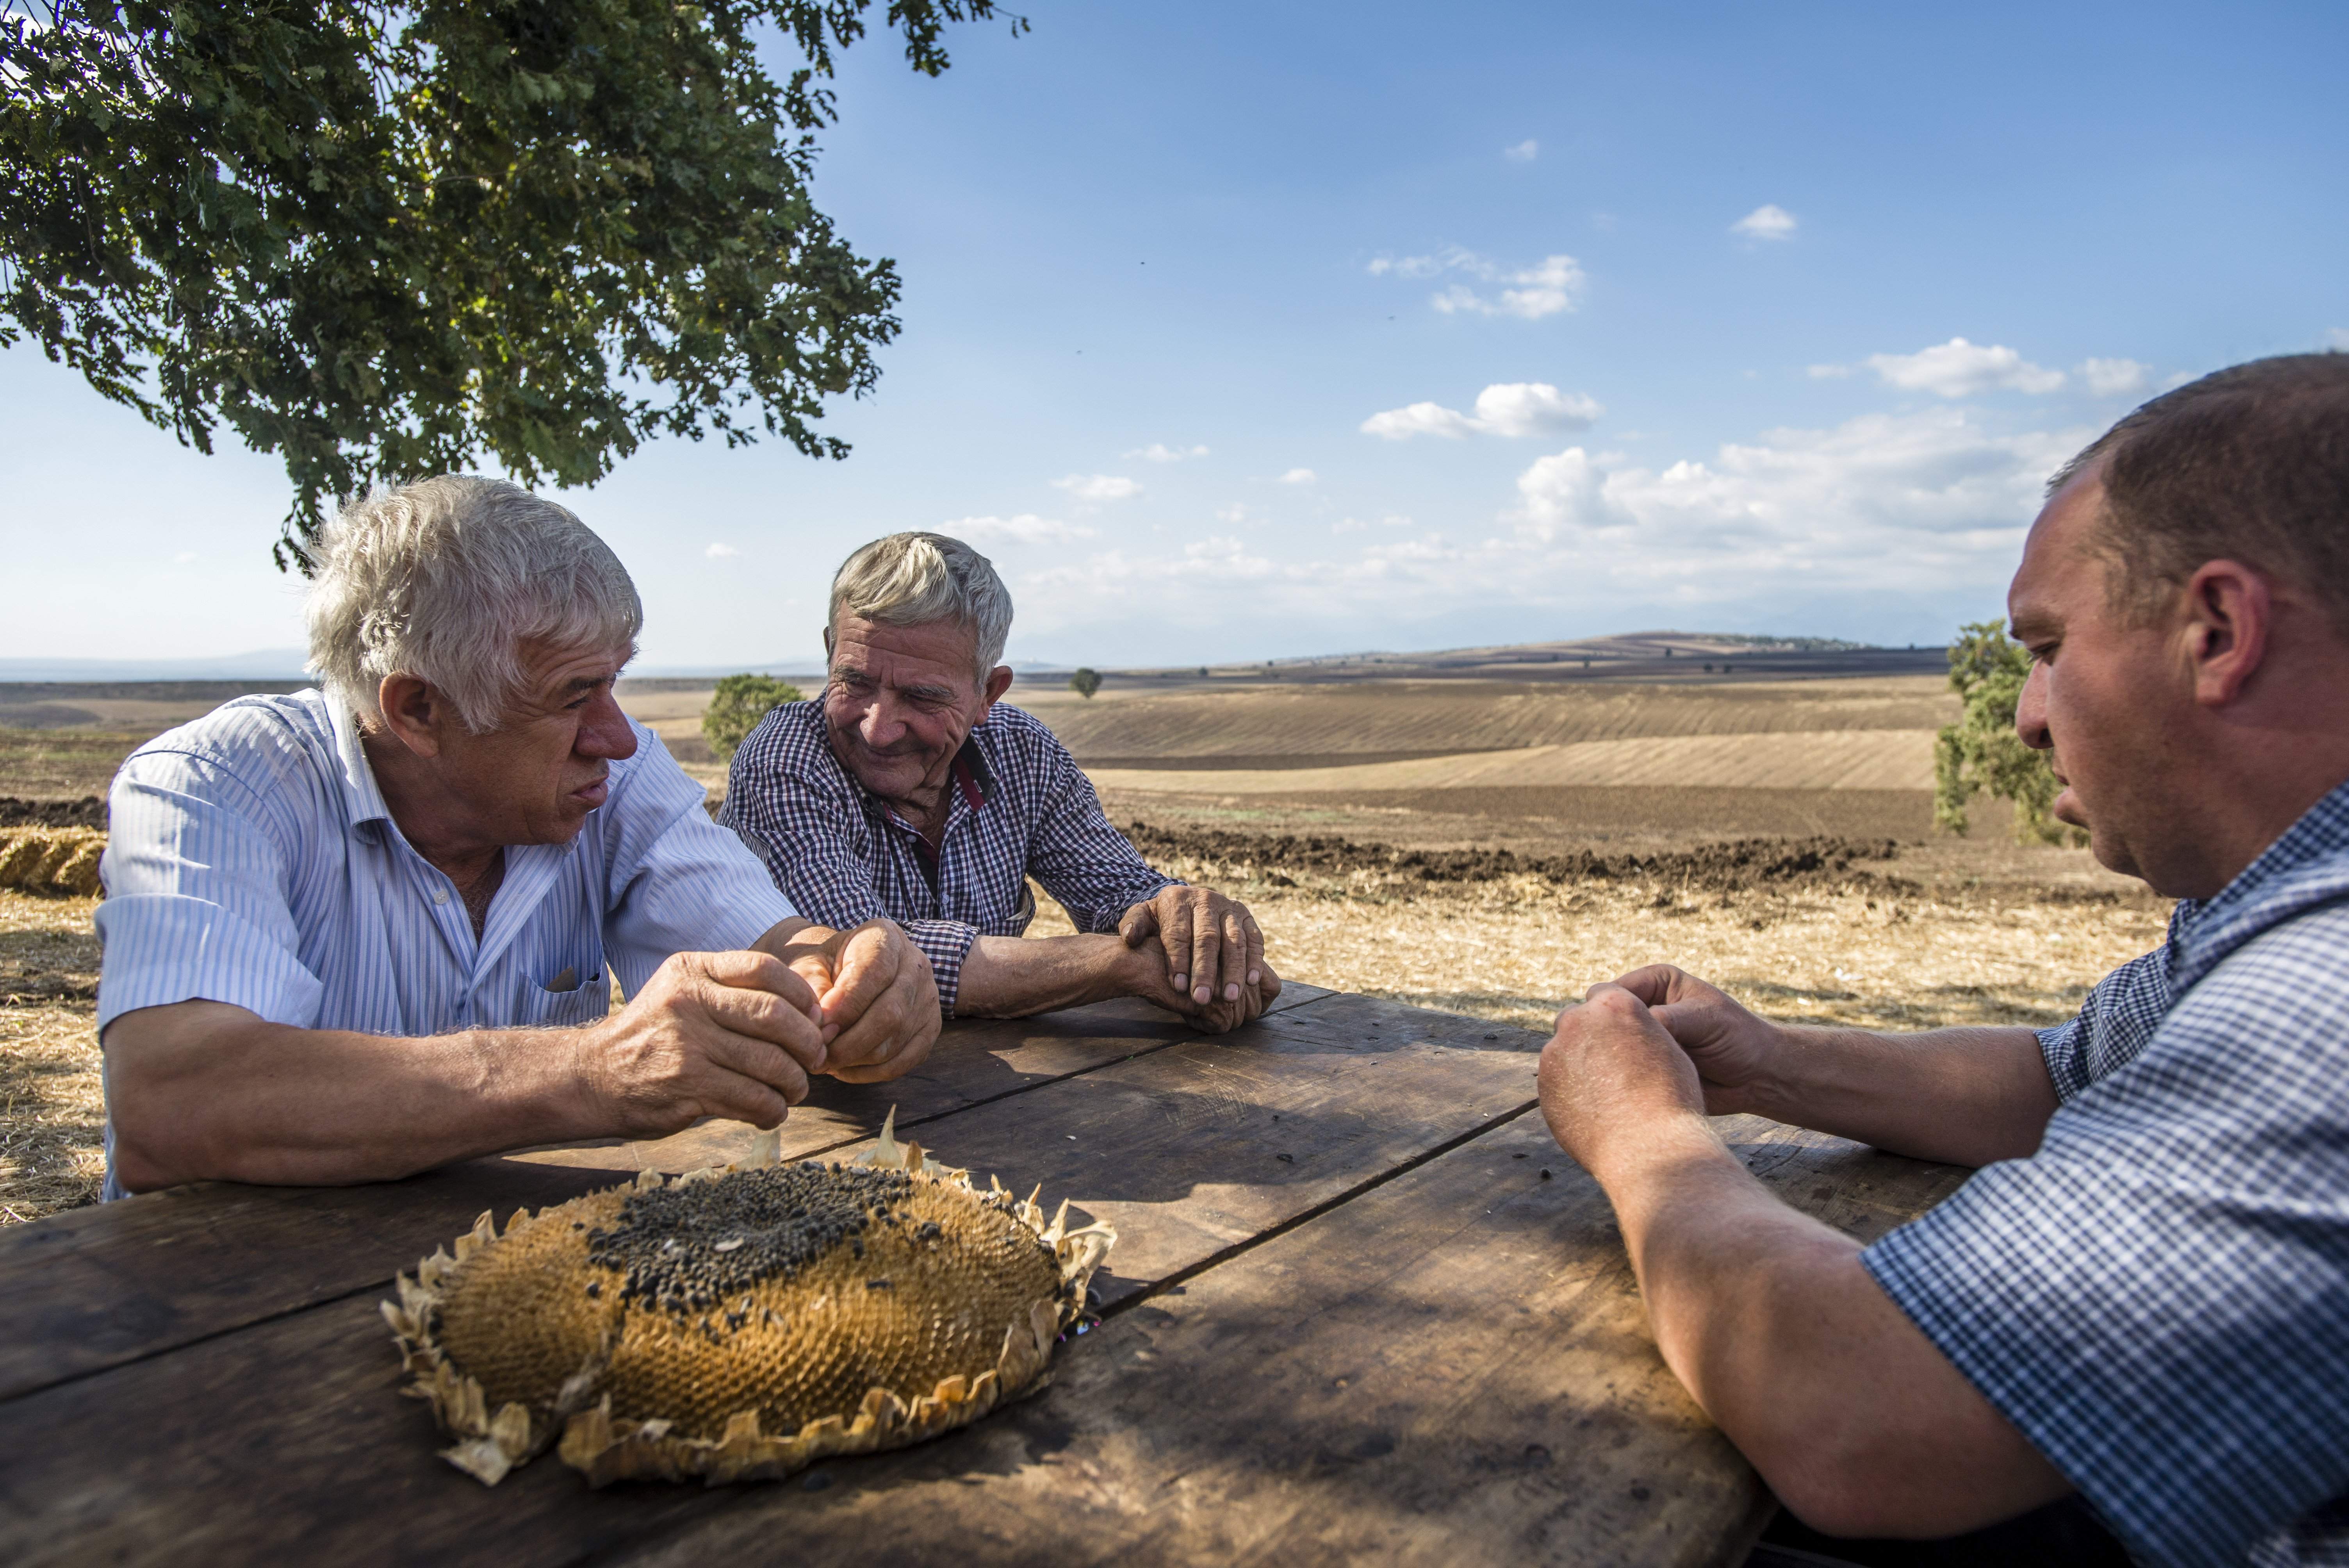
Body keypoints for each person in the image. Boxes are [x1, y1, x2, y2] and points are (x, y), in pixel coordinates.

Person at [1537, 353, 2349, 1567]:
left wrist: (1643, 1138)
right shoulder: (2271, 911)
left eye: (2048, 644)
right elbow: (2064, 1079)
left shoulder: (2321, 996)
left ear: (2219, 631)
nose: (2026, 715)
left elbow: (1857, 1414)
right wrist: (1769, 1061)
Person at [98, 477, 937, 1197]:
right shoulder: (213, 784)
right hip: (234, 1324)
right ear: (418, 709)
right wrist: (590, 1071)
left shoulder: (612, 772)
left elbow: (769, 944)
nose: (615, 735)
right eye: (573, 695)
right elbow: (173, 1100)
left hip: (516, 1285)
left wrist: (848, 975)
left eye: (614, 682)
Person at [722, 531, 1279, 1030]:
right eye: (855, 681)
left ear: (989, 692)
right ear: (829, 653)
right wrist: (1120, 964)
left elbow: (1117, 892)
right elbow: (863, 963)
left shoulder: (1020, 750)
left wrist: (1184, 921)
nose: (879, 727)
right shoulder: (786, 760)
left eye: (922, 696)